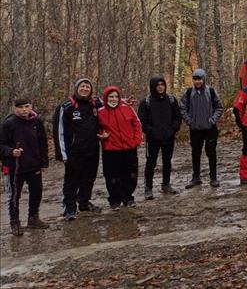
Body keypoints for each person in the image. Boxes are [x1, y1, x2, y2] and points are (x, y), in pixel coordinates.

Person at [53, 78, 103, 219]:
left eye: (88, 87)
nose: (85, 89)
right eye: (82, 86)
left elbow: (113, 103)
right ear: (76, 88)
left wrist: (125, 103)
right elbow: (59, 132)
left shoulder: (96, 103)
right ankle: (69, 207)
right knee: (72, 180)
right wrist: (61, 153)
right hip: (73, 151)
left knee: (89, 178)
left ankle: (84, 202)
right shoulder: (66, 106)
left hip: (92, 149)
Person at [1, 97, 50, 235]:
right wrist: (11, 152)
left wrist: (44, 162)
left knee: (37, 192)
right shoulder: (8, 123)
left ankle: (33, 218)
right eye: (21, 107)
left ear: (31, 107)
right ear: (15, 108)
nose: (24, 110)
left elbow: (43, 143)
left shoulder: (37, 121)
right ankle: (15, 222)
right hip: (15, 167)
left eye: (27, 106)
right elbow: (1, 145)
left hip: (34, 165)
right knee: (14, 196)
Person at [97, 87, 142, 210]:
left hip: (129, 148)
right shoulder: (100, 112)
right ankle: (114, 200)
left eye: (116, 96)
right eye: (111, 96)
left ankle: (128, 197)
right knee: (112, 176)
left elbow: (137, 124)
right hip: (111, 150)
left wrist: (136, 140)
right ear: (106, 98)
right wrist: (101, 135)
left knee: (130, 175)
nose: (114, 99)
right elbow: (96, 128)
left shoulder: (127, 108)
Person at [138, 77, 183, 199]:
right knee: (150, 163)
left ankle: (166, 184)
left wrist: (173, 129)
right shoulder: (146, 102)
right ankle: (148, 187)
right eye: (157, 85)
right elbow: (141, 120)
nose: (160, 87)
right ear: (153, 86)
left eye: (162, 84)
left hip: (169, 137)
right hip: (153, 138)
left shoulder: (171, 100)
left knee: (167, 161)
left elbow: (177, 117)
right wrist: (151, 132)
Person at [180, 68, 223, 189]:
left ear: (204, 79)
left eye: (199, 79)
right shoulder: (188, 93)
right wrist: (189, 121)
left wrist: (212, 120)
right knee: (195, 153)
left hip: (210, 128)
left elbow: (219, 107)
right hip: (195, 129)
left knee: (211, 153)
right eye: (195, 79)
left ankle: (213, 177)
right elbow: (182, 108)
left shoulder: (211, 91)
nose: (197, 81)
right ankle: (196, 177)